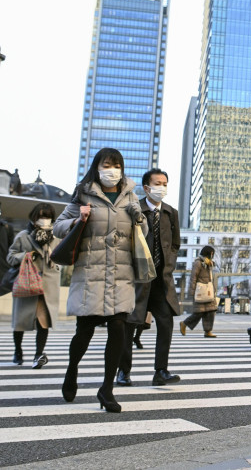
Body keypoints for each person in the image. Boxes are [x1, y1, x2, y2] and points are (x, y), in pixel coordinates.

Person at [53, 147, 148, 413]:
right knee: (84, 332)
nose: (112, 170)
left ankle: (107, 389)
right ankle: (72, 371)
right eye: (107, 164)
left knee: (119, 329)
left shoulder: (131, 196)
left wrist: (139, 219)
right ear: (97, 167)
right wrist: (77, 220)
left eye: (117, 165)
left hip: (121, 275)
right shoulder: (83, 193)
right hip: (91, 274)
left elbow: (142, 232)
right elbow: (59, 226)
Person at [117, 168, 181, 387]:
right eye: (157, 183)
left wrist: (169, 264)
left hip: (162, 280)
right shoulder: (135, 210)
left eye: (165, 183)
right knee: (129, 324)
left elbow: (175, 244)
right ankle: (123, 371)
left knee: (166, 323)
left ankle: (161, 371)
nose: (161, 187)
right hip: (138, 278)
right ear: (146, 187)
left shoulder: (171, 213)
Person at [8, 203, 60, 368]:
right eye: (41, 216)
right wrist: (26, 255)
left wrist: (57, 261)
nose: (44, 220)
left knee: (43, 322)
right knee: (20, 322)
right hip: (27, 283)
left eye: (48, 216)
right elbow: (10, 257)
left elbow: (63, 257)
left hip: (47, 286)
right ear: (34, 217)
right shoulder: (23, 236)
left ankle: (38, 354)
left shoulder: (56, 236)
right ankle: (17, 350)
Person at [181, 245, 218, 337]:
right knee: (199, 312)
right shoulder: (198, 263)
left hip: (209, 291)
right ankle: (184, 323)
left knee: (211, 311)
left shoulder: (209, 263)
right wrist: (191, 291)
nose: (212, 255)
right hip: (200, 292)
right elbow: (193, 277)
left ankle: (208, 331)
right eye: (211, 253)